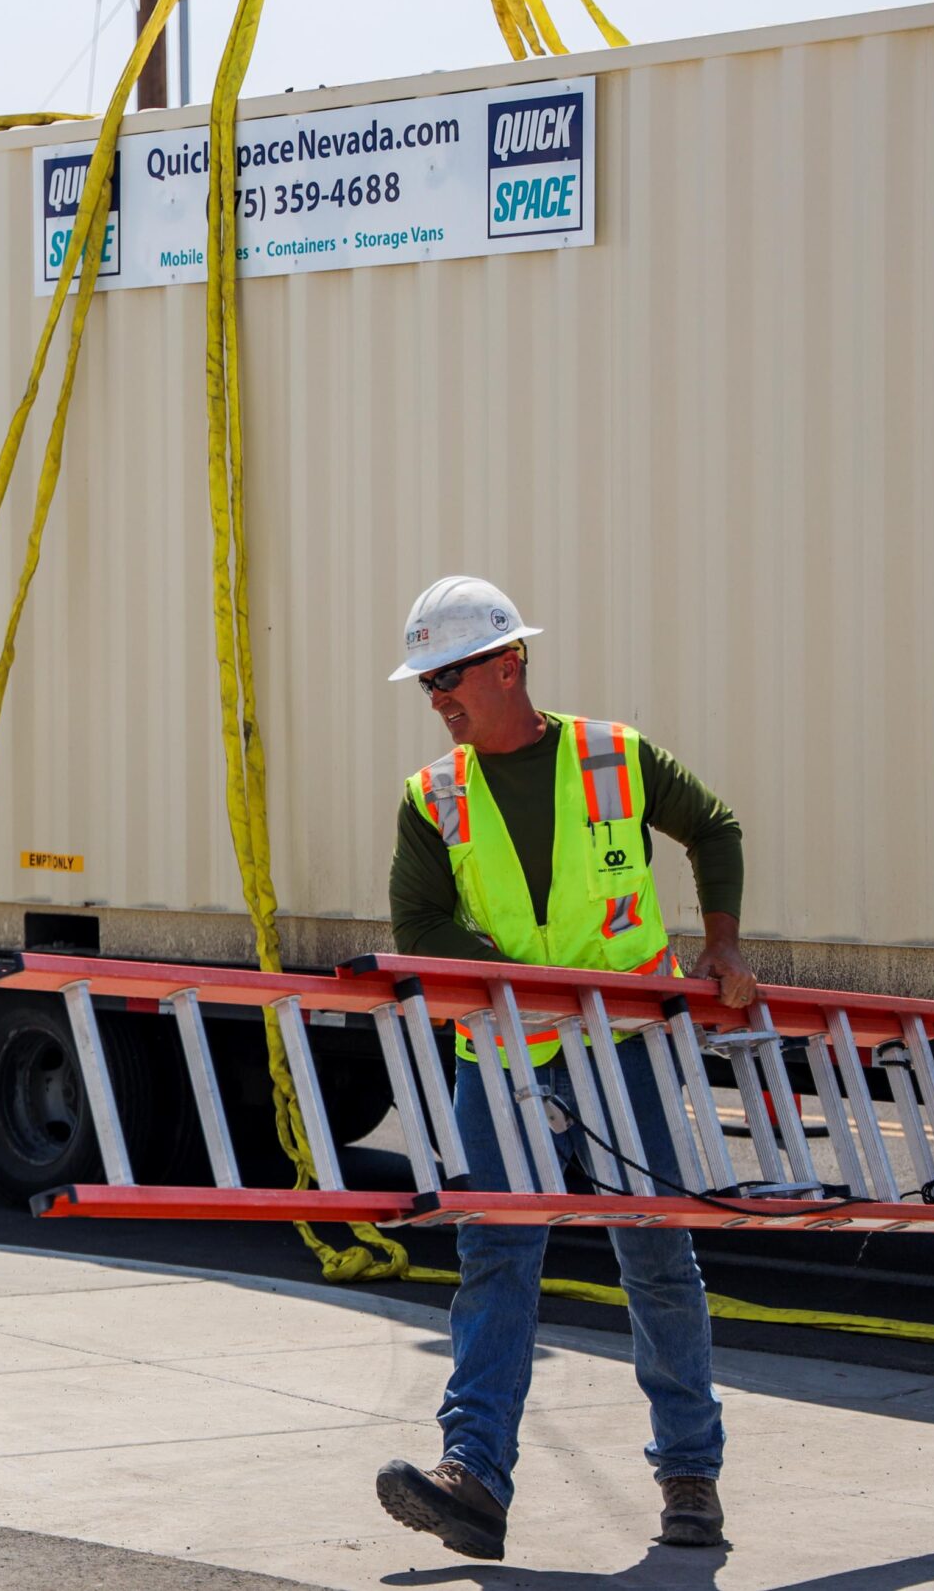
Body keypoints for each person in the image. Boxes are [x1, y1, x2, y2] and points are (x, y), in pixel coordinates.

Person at [371, 575, 752, 1562]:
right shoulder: (434, 794)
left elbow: (714, 829)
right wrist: (513, 980)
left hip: (617, 1042)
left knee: (656, 1253)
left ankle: (689, 1478)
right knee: (497, 1251)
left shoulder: (614, 758)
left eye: (449, 676)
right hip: (499, 1047)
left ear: (509, 666)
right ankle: (473, 1479)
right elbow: (417, 924)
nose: (438, 699)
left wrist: (725, 947)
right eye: (426, 684)